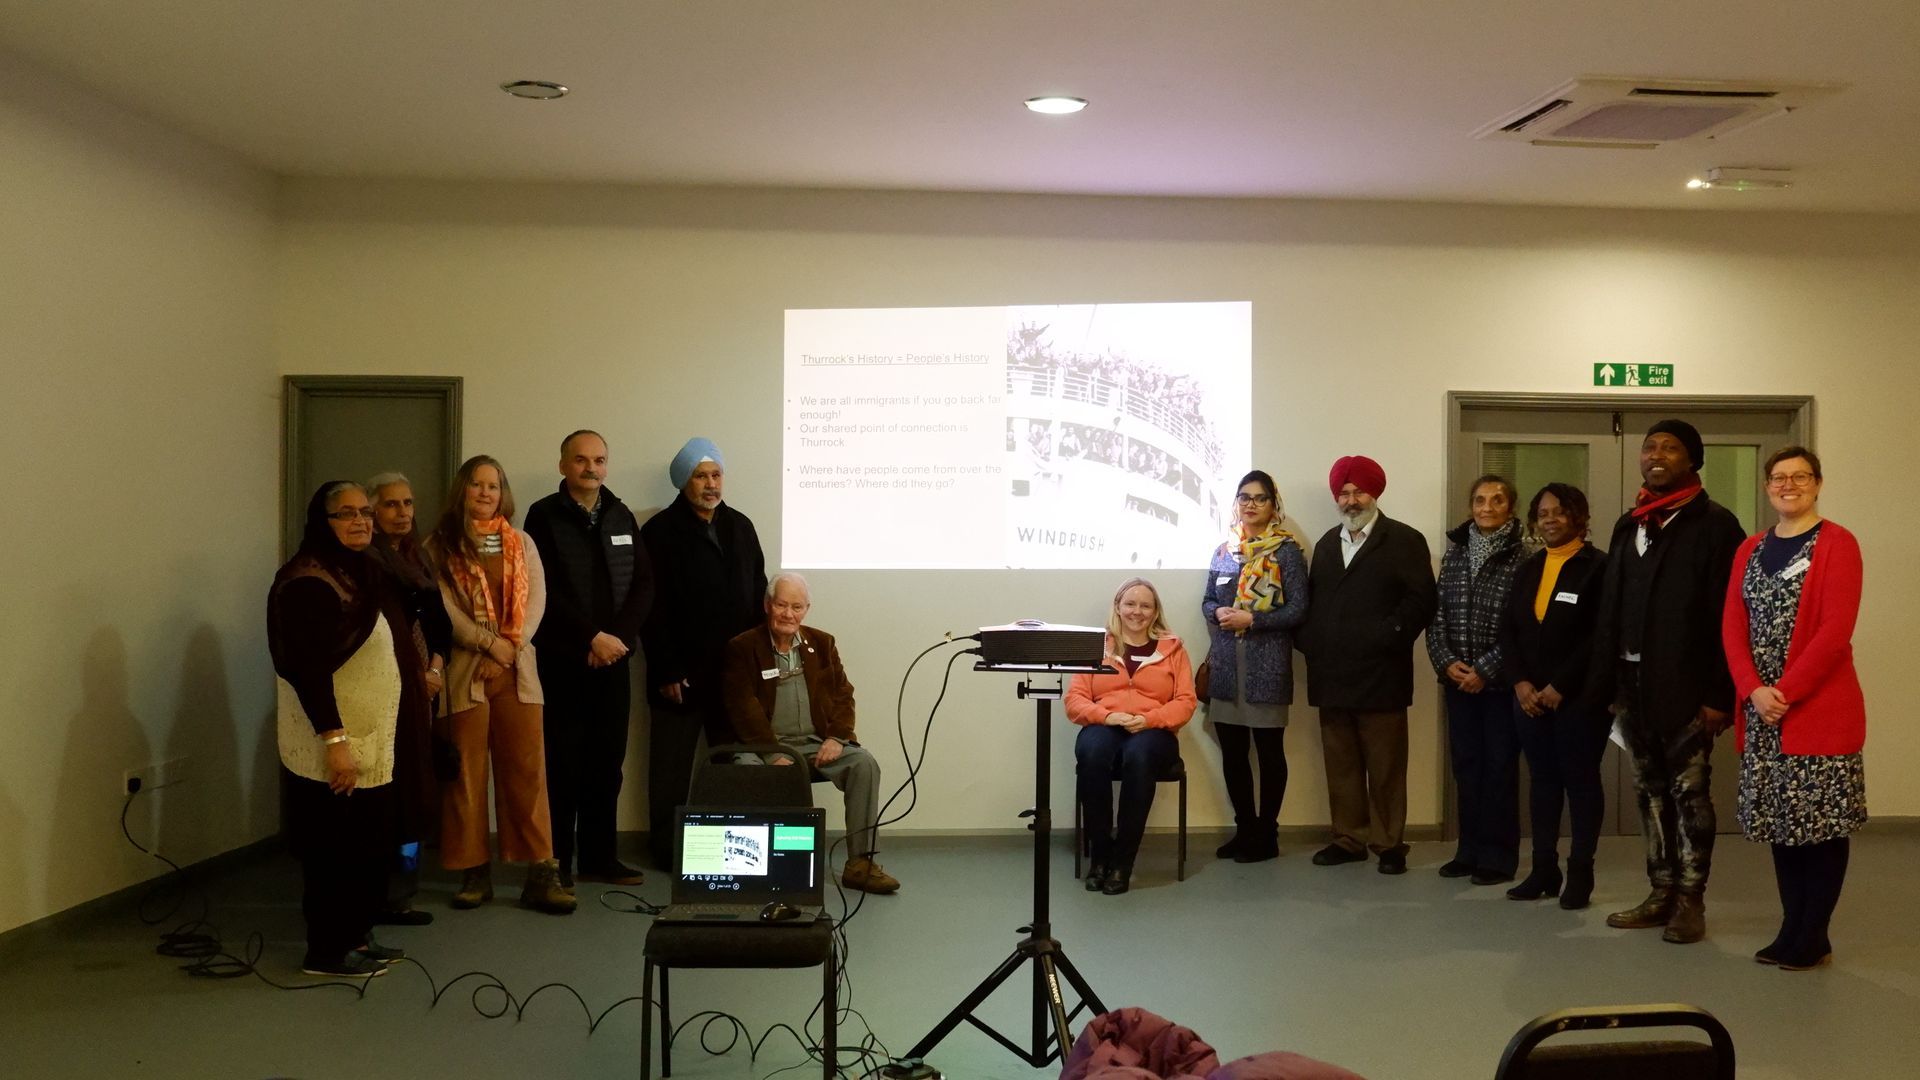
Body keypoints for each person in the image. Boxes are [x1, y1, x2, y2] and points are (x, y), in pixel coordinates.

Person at [1589, 419, 1745, 944]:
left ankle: (1690, 900)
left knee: (1690, 794)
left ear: (1692, 460)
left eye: (1670, 448)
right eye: (1649, 446)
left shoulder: (1716, 526)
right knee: (1649, 791)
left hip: (1689, 688)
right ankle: (1659, 891)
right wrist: (1607, 684)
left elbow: (1731, 617)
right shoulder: (1627, 523)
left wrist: (1719, 695)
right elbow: (1611, 606)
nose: (1656, 455)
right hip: (1631, 685)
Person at [268, 481, 429, 977]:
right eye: (345, 514)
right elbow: (307, 671)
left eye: (365, 512)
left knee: (366, 846)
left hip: (370, 737)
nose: (360, 521)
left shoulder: (364, 571)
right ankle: (327, 951)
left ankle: (357, 937)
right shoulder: (307, 581)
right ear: (323, 521)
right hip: (331, 740)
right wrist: (334, 742)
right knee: (332, 850)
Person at [1722, 447, 1866, 970]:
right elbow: (1732, 626)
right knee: (1782, 824)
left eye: (1800, 477)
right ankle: (1791, 927)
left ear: (1818, 484)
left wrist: (1784, 692)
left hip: (1816, 711)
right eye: (1779, 478)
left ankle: (1814, 932)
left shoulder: (1839, 544)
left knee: (1822, 827)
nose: (1789, 485)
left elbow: (1834, 632)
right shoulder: (1749, 550)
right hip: (1764, 714)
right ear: (1767, 488)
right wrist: (1753, 690)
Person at [429, 455, 574, 914]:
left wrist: (509, 647)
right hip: (465, 673)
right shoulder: (440, 546)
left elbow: (537, 600)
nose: (486, 493)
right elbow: (444, 608)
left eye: (494, 485)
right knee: (466, 777)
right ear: (462, 490)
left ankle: (540, 871)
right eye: (476, 485)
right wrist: (489, 645)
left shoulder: (522, 542)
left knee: (527, 772)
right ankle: (475, 872)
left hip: (518, 672)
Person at [524, 430, 654, 888]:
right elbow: (544, 591)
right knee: (562, 764)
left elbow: (643, 585)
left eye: (599, 460)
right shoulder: (542, 516)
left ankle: (601, 857)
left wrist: (617, 638)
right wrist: (590, 637)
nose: (591, 468)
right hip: (564, 662)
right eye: (581, 460)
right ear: (563, 465)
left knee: (606, 764)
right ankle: (557, 862)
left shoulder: (620, 515)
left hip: (613, 662)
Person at [1297, 456, 1436, 875]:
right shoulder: (1324, 544)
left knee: (1386, 765)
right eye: (1344, 492)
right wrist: (1311, 644)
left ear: (1376, 493)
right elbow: (1314, 602)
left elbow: (1421, 601)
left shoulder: (1405, 539)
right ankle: (1348, 838)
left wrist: (1387, 635)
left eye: (1359, 491)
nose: (1351, 499)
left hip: (1382, 674)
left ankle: (1389, 843)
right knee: (1341, 765)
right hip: (1332, 675)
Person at [720, 573, 900, 895]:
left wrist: (836, 738)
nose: (788, 614)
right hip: (763, 746)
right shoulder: (742, 647)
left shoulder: (822, 643)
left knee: (864, 764)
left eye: (797, 607)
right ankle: (756, 867)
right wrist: (774, 753)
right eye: (781, 605)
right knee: (745, 770)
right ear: (767, 605)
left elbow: (844, 694)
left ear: (807, 609)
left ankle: (861, 863)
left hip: (815, 744)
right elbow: (742, 707)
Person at [640, 437, 768, 869]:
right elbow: (651, 609)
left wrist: (757, 663)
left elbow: (757, 599)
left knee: (733, 768)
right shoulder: (659, 533)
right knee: (670, 772)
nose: (710, 484)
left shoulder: (742, 527)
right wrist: (667, 669)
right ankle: (667, 853)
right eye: (700, 476)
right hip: (679, 674)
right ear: (683, 483)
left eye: (716, 475)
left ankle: (731, 853)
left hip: (733, 675)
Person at [1499, 483, 1607, 908]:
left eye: (1559, 512)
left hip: (1578, 699)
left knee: (1581, 783)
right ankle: (1544, 869)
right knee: (1542, 784)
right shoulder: (1530, 567)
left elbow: (1600, 636)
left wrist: (1560, 685)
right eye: (1542, 512)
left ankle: (1581, 873)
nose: (1549, 519)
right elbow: (1509, 630)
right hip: (1529, 700)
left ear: (1578, 517)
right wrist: (1521, 683)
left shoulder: (1598, 567)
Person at [1202, 470, 1309, 863]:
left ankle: (1267, 833)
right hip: (1229, 667)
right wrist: (1220, 612)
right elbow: (1206, 602)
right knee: (1233, 753)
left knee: (1268, 753)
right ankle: (1244, 827)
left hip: (1268, 666)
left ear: (1273, 505)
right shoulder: (1223, 551)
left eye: (1259, 498)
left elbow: (1299, 609)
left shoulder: (1287, 553)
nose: (1250, 504)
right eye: (1243, 497)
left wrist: (1254, 620)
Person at [1067, 578, 1199, 895]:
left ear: (1155, 613)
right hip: (1106, 723)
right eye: (1130, 604)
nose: (1137, 611)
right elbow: (1075, 700)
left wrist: (1149, 718)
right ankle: (1100, 855)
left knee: (1138, 757)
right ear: (1117, 607)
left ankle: (1123, 862)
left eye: (1145, 605)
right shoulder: (1097, 647)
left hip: (1154, 731)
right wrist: (1108, 715)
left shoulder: (1173, 649)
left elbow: (1186, 701)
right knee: (1092, 753)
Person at [1426, 474, 1527, 886]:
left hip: (1501, 686)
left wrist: (1485, 670)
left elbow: (1522, 628)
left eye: (1497, 500)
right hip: (1457, 682)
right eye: (1480, 500)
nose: (1487, 507)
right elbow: (1436, 617)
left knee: (1500, 768)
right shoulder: (1455, 554)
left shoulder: (1524, 558)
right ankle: (1468, 850)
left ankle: (1498, 857)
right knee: (1466, 767)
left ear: (1511, 508)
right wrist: (1447, 662)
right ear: (1470, 506)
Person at [365, 471, 452, 925]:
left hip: (427, 687)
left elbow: (440, 626)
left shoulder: (419, 559)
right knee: (390, 795)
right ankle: (377, 895)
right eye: (391, 505)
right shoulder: (369, 562)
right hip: (387, 694)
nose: (402, 513)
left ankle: (404, 895)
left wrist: (434, 669)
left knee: (418, 791)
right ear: (374, 513)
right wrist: (414, 677)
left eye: (408, 504)